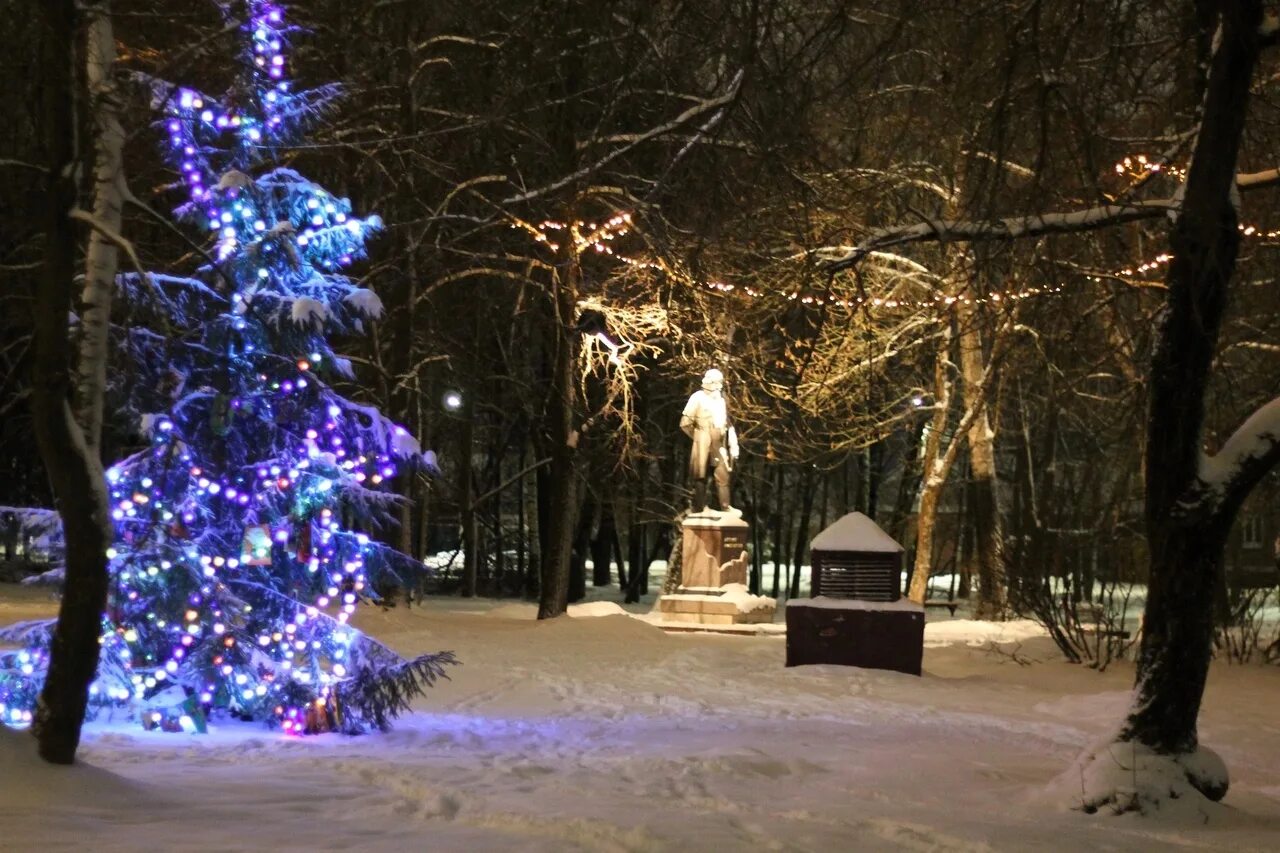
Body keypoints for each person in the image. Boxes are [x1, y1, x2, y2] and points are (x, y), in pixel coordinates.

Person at [680, 368, 739, 514]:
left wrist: (733, 444)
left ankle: (726, 506)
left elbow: (728, 423)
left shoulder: (722, 400)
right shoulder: (698, 397)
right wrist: (699, 438)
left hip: (719, 443)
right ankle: (698, 507)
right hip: (702, 439)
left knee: (723, 474)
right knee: (700, 475)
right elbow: (685, 423)